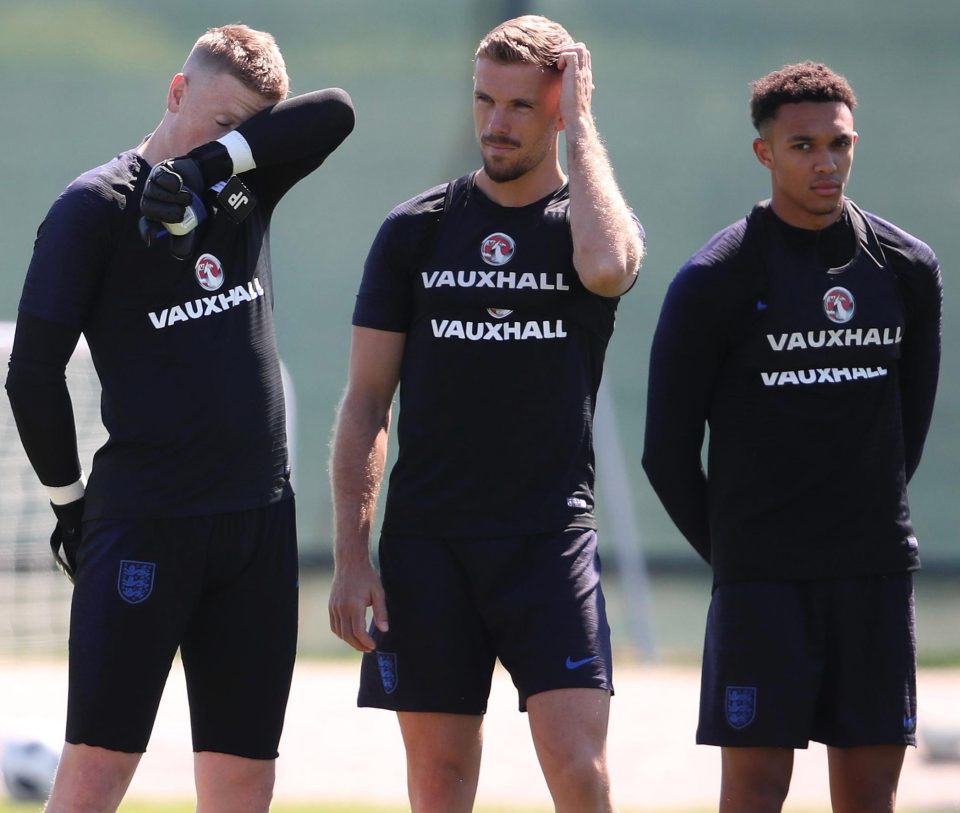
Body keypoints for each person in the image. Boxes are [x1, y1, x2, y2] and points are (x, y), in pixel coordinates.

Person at [5, 24, 354, 813]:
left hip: (258, 523)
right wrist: (69, 507)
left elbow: (335, 111)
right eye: (220, 119)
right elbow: (31, 375)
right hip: (148, 521)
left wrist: (210, 162)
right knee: (95, 772)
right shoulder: (93, 206)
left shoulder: (244, 182)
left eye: (248, 128)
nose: (237, 138)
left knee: (244, 781)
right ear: (175, 91)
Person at [328, 14, 643, 813]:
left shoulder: (586, 228)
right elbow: (367, 401)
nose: (496, 125)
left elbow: (609, 267)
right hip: (429, 545)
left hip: (548, 541)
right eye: (484, 102)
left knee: (582, 772)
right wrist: (352, 554)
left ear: (562, 112)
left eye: (522, 107)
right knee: (438, 783)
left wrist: (586, 126)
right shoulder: (414, 231)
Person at [642, 61, 942, 813]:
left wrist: (863, 519)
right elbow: (666, 450)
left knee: (871, 794)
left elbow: (910, 423)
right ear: (765, 153)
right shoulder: (716, 277)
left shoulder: (907, 268)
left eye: (839, 144)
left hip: (872, 575)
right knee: (755, 793)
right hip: (763, 585)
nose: (826, 162)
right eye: (803, 146)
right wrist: (739, 554)